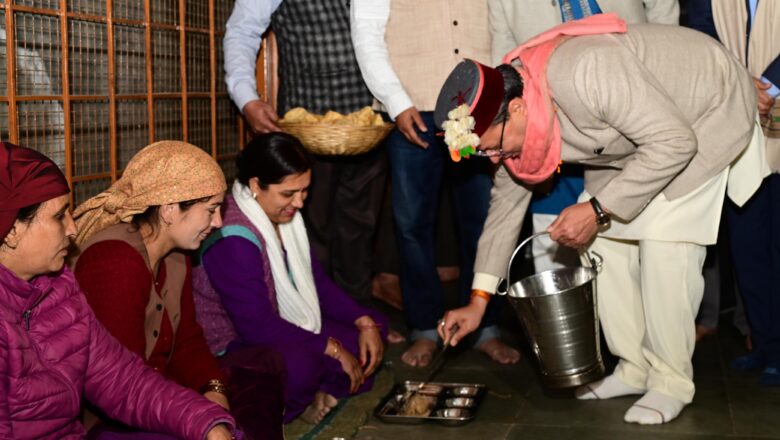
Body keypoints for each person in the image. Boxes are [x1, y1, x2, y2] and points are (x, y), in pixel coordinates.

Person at [437, 15, 764, 424]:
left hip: (704, 111)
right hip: (632, 137)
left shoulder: (584, 70)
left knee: (666, 241)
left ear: (517, 108)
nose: (495, 159)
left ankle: (671, 381)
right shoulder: (510, 124)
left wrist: (596, 210)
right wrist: (477, 302)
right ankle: (634, 367)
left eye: (494, 148)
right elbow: (504, 211)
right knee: (597, 241)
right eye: (485, 153)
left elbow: (675, 142)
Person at [0, 141, 236, 440]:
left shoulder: (59, 288)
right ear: (12, 230)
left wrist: (206, 420)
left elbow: (122, 380)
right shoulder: (114, 261)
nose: (73, 229)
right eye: (59, 217)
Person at [70, 141, 284, 439]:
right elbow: (124, 385)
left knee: (264, 363)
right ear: (169, 209)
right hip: (119, 415)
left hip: (165, 393)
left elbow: (187, 339)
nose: (218, 222)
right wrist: (196, 413)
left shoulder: (176, 253)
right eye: (211, 210)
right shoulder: (114, 262)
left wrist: (214, 390)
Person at [351, 0, 520, 367]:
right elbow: (366, 33)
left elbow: (503, 21)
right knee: (412, 224)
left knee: (482, 219)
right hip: (414, 107)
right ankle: (425, 327)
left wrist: (504, 91)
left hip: (480, 105)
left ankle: (484, 325)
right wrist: (395, 100)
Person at [193, 132, 389, 424]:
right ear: (256, 185)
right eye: (288, 194)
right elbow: (257, 328)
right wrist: (333, 349)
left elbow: (317, 283)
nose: (299, 202)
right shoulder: (234, 238)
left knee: (374, 327)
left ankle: (320, 389)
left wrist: (362, 321)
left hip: (280, 323)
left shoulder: (284, 216)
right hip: (234, 344)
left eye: (305, 191)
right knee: (302, 366)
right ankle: (302, 398)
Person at [488, 0, 678, 274]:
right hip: (550, 125)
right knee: (559, 236)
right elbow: (503, 57)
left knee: (650, 237)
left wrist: (663, 77)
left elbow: (662, 8)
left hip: (634, 110)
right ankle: (569, 299)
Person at [224, 0, 387, 305]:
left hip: (370, 123)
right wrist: (247, 99)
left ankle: (358, 316)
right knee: (309, 232)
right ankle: (315, 317)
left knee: (360, 231)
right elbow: (242, 31)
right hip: (307, 125)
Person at [687, 0, 780, 386]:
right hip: (736, 123)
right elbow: (699, 37)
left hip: (771, 106)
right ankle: (766, 342)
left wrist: (770, 83)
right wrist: (740, 83)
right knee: (748, 246)